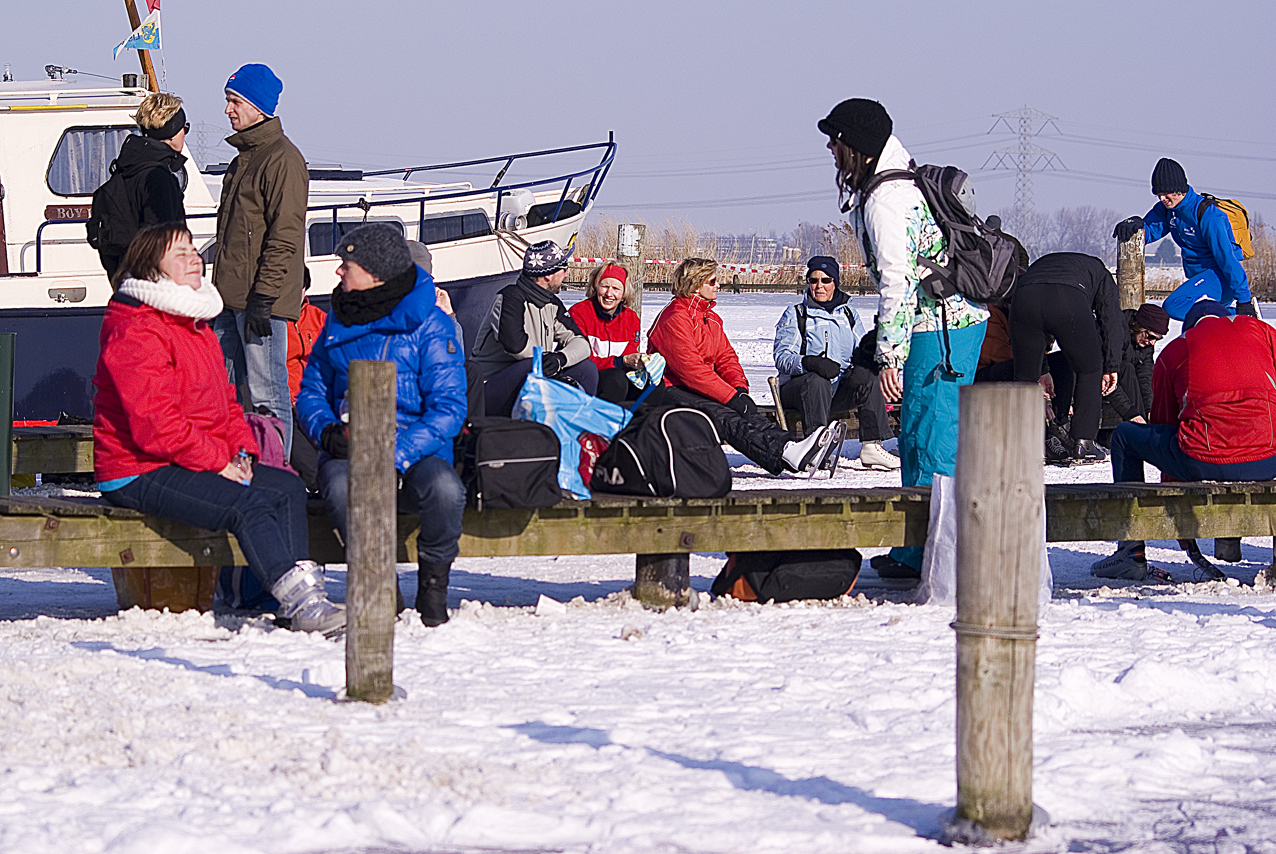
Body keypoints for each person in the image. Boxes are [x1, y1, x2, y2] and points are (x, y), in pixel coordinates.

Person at [93, 223, 344, 634]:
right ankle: (303, 604)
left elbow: (227, 403)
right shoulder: (136, 328)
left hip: (188, 457)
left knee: (287, 487)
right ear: (151, 270)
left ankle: (288, 598)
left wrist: (242, 454)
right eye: (180, 254)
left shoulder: (194, 323)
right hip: (137, 468)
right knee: (246, 505)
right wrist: (218, 463)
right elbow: (155, 425)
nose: (194, 258)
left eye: (193, 250)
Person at [819, 98, 988, 583]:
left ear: (856, 146)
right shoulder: (894, 182)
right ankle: (917, 549)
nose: (830, 149)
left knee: (933, 440)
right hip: (937, 324)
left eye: (835, 140)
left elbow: (897, 281)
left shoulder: (888, 200)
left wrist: (890, 355)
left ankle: (940, 556)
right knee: (917, 434)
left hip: (942, 328)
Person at [297, 224, 468, 627]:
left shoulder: (431, 324)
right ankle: (381, 583)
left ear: (375, 272)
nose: (338, 271)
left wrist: (395, 452)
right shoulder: (338, 320)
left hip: (416, 446)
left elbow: (448, 408)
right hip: (349, 444)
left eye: (347, 263)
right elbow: (311, 392)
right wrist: (326, 432)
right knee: (340, 487)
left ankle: (433, 585)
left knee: (446, 490)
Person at [1091, 301, 1276, 583]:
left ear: (1189, 328)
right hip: (1267, 459)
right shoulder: (1260, 330)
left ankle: (1131, 552)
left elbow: (1167, 427)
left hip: (1201, 457)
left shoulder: (1176, 350)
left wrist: (1177, 507)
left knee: (1125, 436)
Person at [647, 257, 842, 476]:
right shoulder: (675, 317)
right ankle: (782, 453)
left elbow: (726, 358)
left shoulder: (711, 318)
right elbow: (690, 370)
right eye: (712, 281)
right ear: (695, 285)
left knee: (749, 413)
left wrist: (739, 389)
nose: (718, 286)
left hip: (697, 388)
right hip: (670, 388)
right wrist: (730, 397)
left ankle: (791, 447)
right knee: (724, 415)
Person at [212, 63, 309, 458]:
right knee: (221, 389)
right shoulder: (244, 159)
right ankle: (229, 463)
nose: (228, 109)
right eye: (228, 100)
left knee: (268, 391)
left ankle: (274, 470)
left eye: (235, 101)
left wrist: (265, 296)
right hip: (229, 296)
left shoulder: (282, 160)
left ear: (258, 106)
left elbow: (286, 234)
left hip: (259, 300)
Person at [773, 255, 899, 471]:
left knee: (869, 374)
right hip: (800, 390)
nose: (819, 286)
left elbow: (861, 351)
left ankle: (871, 445)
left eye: (826, 280)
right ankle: (816, 448)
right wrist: (809, 362)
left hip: (837, 389)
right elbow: (782, 357)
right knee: (817, 381)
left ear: (835, 282)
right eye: (814, 280)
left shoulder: (849, 314)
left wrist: (868, 361)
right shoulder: (796, 314)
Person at [1010, 252, 1126, 463]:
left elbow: (1040, 315)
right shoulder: (1100, 273)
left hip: (1024, 296)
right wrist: (1112, 365)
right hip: (1069, 297)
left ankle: (1026, 442)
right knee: (1089, 369)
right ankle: (1084, 442)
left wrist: (1042, 370)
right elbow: (1111, 319)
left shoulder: (1043, 264)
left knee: (1025, 379)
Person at [1112, 158, 1257, 320]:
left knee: (1175, 305)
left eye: (1166, 194)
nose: (1162, 199)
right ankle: (1224, 321)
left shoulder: (1208, 215)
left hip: (1219, 277)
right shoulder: (1168, 210)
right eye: (1158, 195)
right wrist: (1135, 227)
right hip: (1199, 279)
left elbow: (1227, 258)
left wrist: (1244, 300)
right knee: (1198, 321)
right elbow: (1151, 230)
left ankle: (1237, 316)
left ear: (1179, 190)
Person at [470, 239, 599, 416]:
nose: (567, 275)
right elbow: (517, 347)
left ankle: (578, 423)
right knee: (533, 366)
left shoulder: (552, 304)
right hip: (492, 386)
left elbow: (581, 342)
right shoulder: (509, 298)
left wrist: (560, 358)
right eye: (563, 269)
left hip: (534, 376)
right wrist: (547, 359)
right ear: (548, 276)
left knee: (586, 369)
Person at [89, 91, 188, 280]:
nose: (184, 133)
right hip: (154, 285)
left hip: (126, 280)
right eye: (184, 127)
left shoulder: (124, 169)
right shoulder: (158, 177)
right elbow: (163, 241)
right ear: (171, 133)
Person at [568, 262, 643, 403]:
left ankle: (641, 416)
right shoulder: (579, 313)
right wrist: (619, 362)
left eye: (616, 288)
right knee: (616, 379)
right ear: (596, 286)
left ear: (624, 292)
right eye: (605, 286)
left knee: (652, 383)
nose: (609, 294)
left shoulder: (631, 318)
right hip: (588, 377)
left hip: (619, 375)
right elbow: (580, 359)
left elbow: (630, 353)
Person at [285, 269, 326, 491]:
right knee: (311, 466)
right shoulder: (274, 324)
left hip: (316, 400)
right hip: (287, 404)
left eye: (297, 289)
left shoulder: (319, 318)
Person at [1103, 303, 1169, 425]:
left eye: (1157, 339)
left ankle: (1143, 427)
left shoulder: (1145, 345)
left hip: (1122, 388)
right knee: (1127, 368)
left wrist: (1150, 410)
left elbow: (1145, 377)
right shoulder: (1116, 333)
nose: (1153, 343)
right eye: (1150, 336)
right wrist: (1130, 413)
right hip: (1101, 382)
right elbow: (1106, 375)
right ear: (1139, 327)